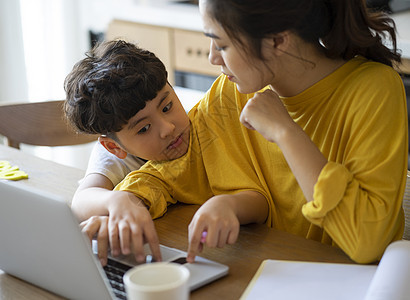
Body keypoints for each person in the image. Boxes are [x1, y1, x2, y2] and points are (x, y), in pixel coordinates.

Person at [195, 0, 407, 264]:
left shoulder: (374, 90)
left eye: (222, 45)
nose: (212, 58)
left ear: (277, 40)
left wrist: (285, 132)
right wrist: (128, 197)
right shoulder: (230, 91)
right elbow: (175, 161)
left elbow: (366, 242)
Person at [64, 39, 269, 266]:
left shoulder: (208, 126)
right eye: (144, 129)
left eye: (167, 107)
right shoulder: (130, 165)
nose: (168, 129)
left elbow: (261, 201)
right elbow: (83, 201)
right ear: (114, 147)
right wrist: (116, 205)